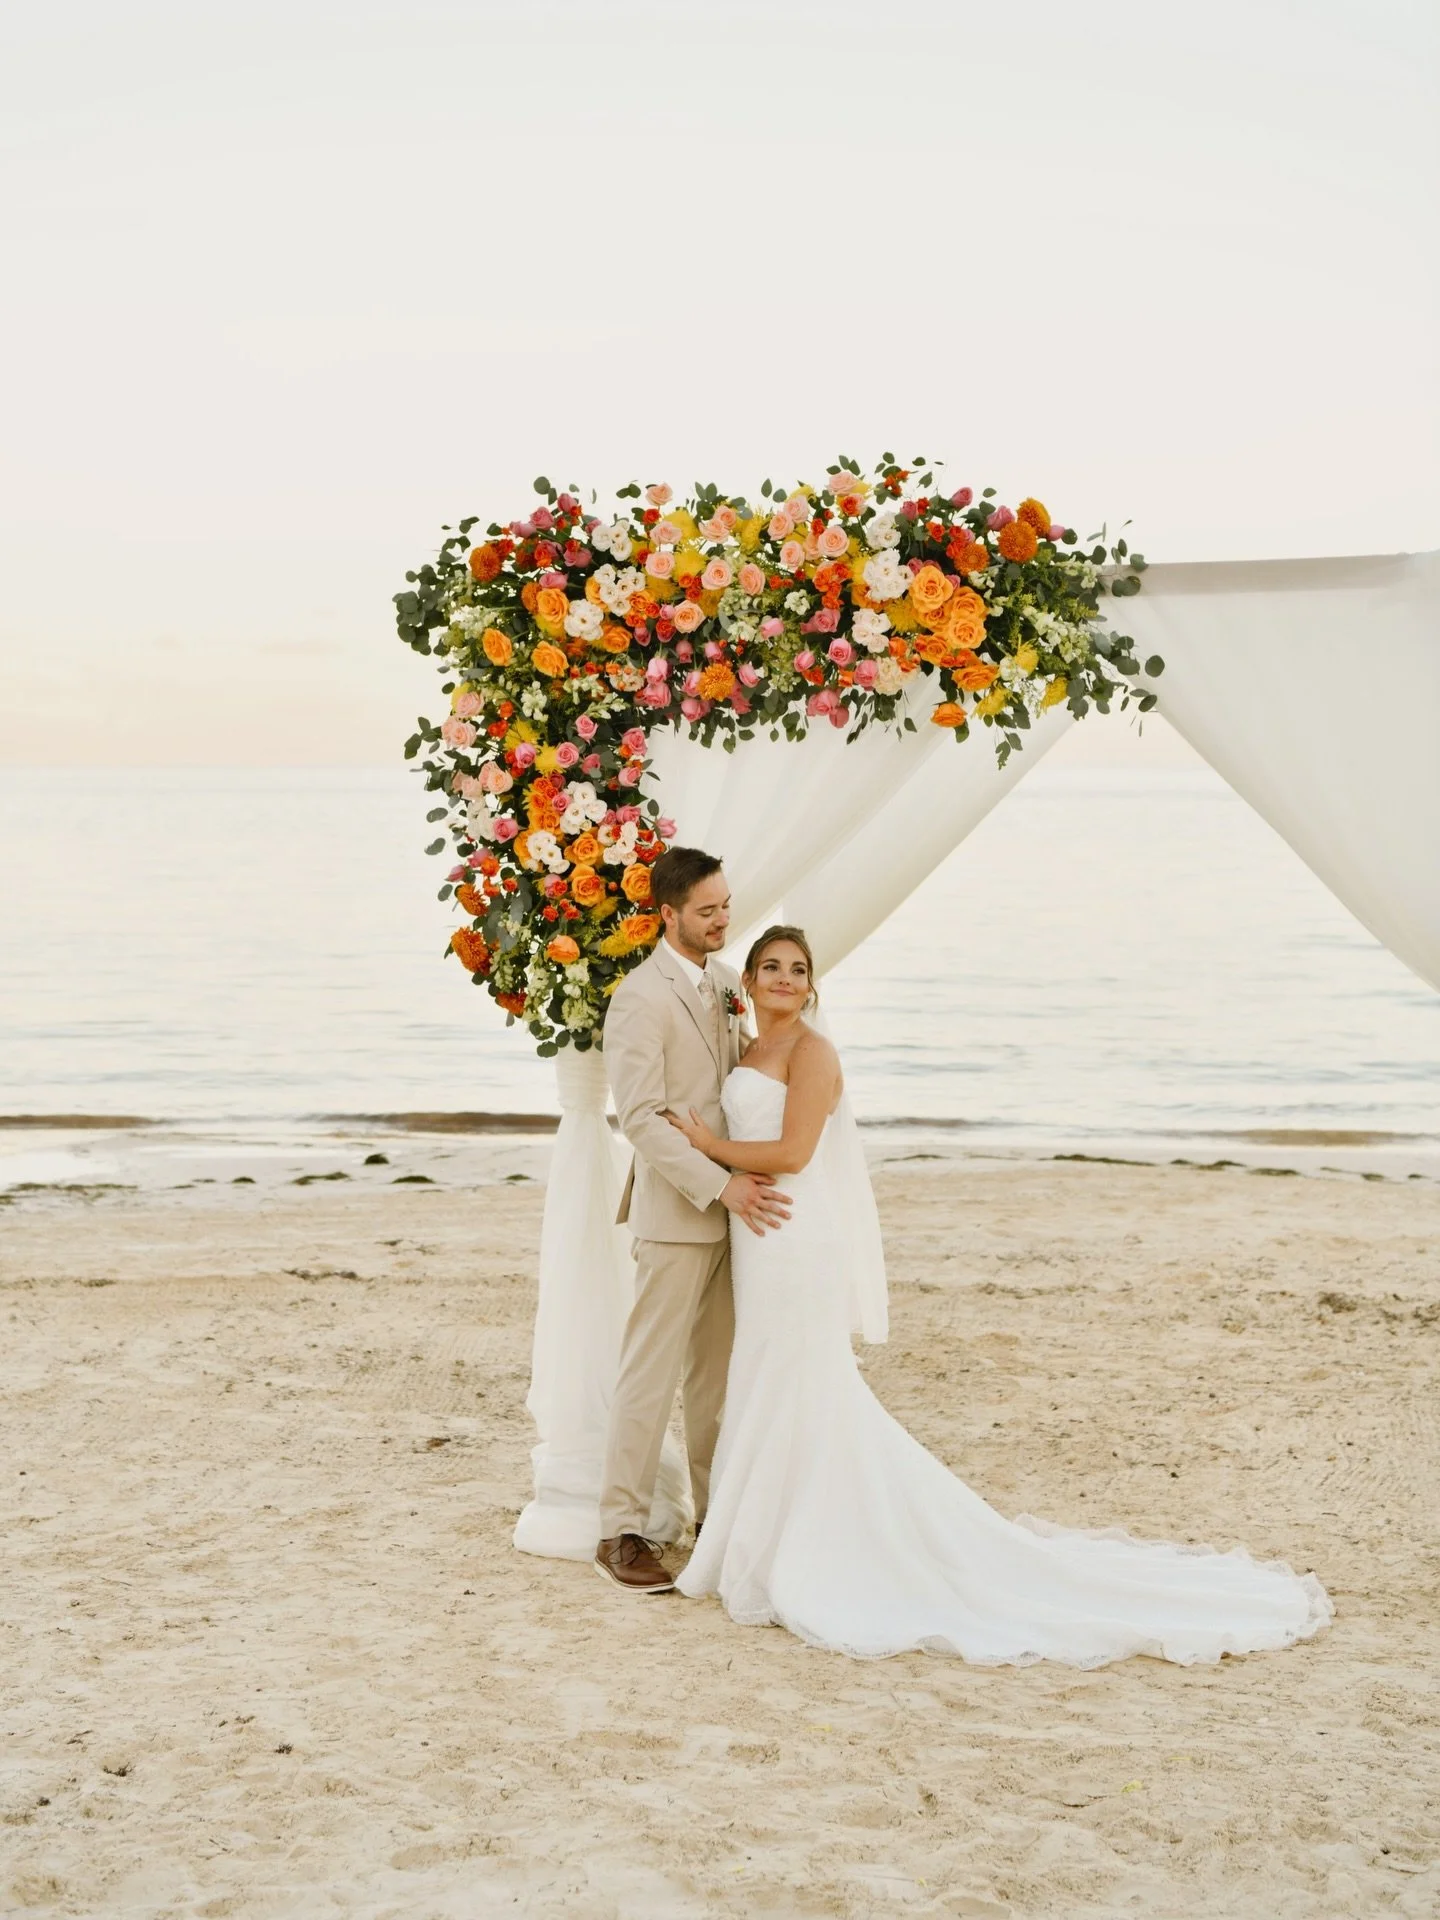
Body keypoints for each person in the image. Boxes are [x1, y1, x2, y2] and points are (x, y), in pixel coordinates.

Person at [668, 925, 1333, 1667]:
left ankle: (807, 1544)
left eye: (797, 969)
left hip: (795, 1238)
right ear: (750, 983)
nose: (784, 979)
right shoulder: (752, 1047)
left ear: (812, 985)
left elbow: (794, 1154)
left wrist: (710, 1150)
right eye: (770, 967)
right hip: (761, 1242)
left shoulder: (814, 1052)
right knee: (764, 1376)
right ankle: (758, 1534)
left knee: (803, 1381)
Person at [594, 848, 792, 1595]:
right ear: (667, 914)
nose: (722, 921)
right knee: (648, 1378)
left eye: (726, 907)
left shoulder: (719, 985)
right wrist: (721, 1185)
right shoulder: (638, 998)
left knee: (716, 1381)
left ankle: (716, 1521)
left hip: (732, 1220)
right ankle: (618, 1531)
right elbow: (641, 1119)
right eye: (708, 911)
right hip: (678, 1215)